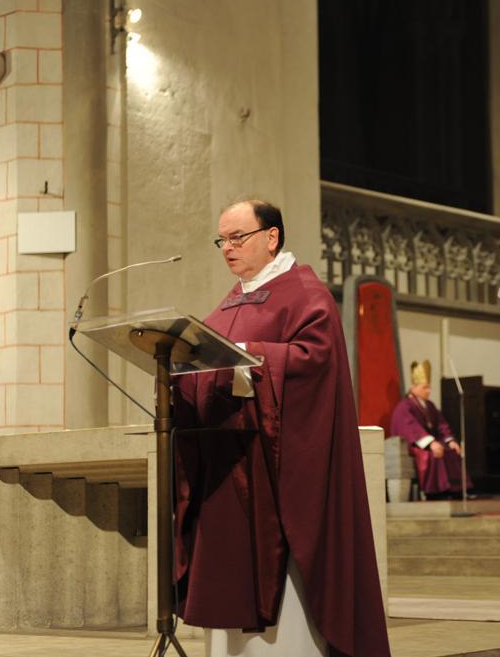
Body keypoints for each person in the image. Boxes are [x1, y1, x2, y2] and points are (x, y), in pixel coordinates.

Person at [172, 200, 390, 657]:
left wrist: (253, 356)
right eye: (222, 240)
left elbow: (317, 361)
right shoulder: (233, 299)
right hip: (230, 472)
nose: (227, 248)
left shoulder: (304, 293)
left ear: (271, 237)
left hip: (278, 473)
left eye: (237, 237)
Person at [389, 360, 469, 499]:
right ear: (414, 387)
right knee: (435, 454)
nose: (429, 391)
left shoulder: (430, 406)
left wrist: (450, 440)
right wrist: (430, 443)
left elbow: (441, 425)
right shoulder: (405, 407)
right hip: (415, 445)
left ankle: (457, 491)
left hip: (430, 443)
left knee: (452, 451)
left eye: (429, 387)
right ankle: (436, 493)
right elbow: (410, 428)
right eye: (425, 387)